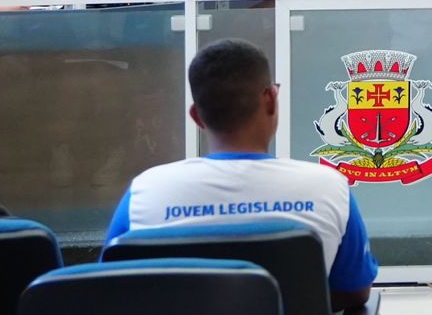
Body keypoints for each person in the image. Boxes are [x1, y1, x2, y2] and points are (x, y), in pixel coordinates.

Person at [105, 39, 378, 310]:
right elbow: (354, 293)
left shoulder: (145, 193)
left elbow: (111, 293)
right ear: (271, 100)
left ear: (197, 116)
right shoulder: (327, 188)